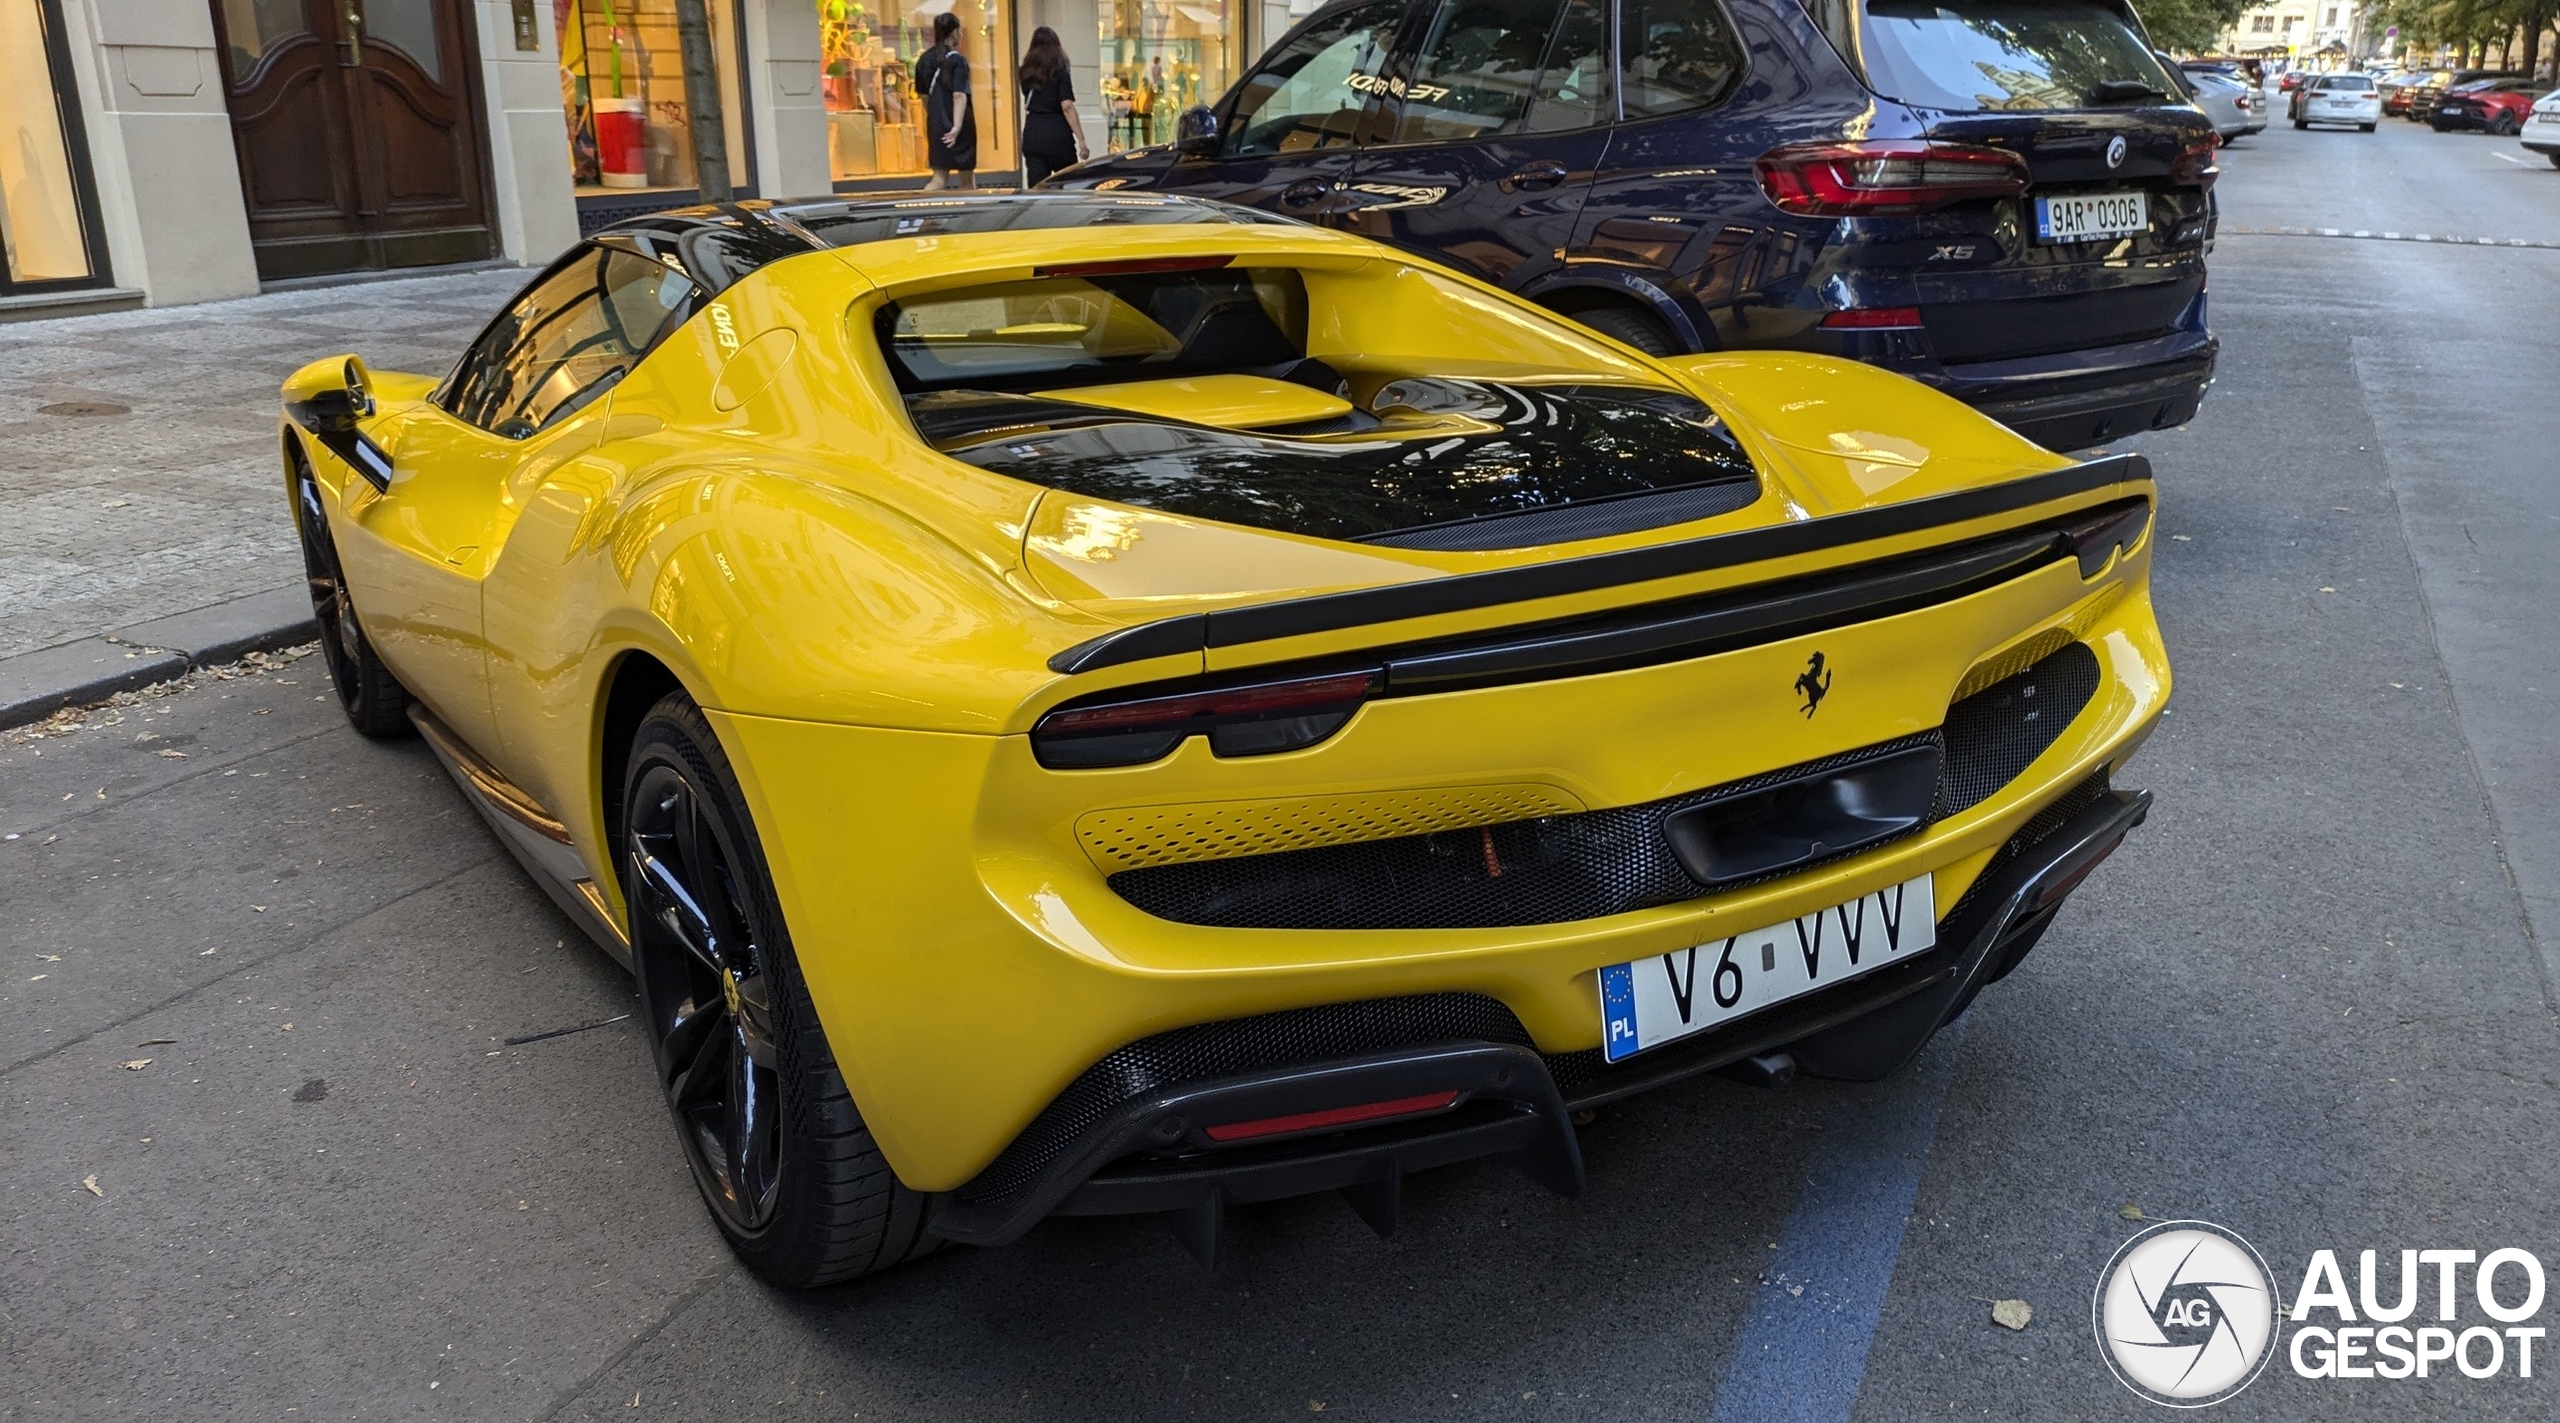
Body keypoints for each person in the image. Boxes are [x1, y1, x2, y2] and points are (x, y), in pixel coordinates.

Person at [1017, 26, 1089, 185]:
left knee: (1037, 188)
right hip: (1057, 135)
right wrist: (1081, 139)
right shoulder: (1060, 70)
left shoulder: (1025, 71)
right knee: (1070, 183)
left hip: (1033, 132)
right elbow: (1067, 106)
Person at [916, 12, 976, 189]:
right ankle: (967, 216)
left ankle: (925, 211)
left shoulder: (924, 60)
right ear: (954, 32)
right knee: (967, 180)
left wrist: (936, 118)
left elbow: (923, 96)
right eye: (960, 30)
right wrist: (956, 127)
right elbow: (959, 95)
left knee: (938, 179)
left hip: (937, 125)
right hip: (961, 126)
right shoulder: (958, 60)